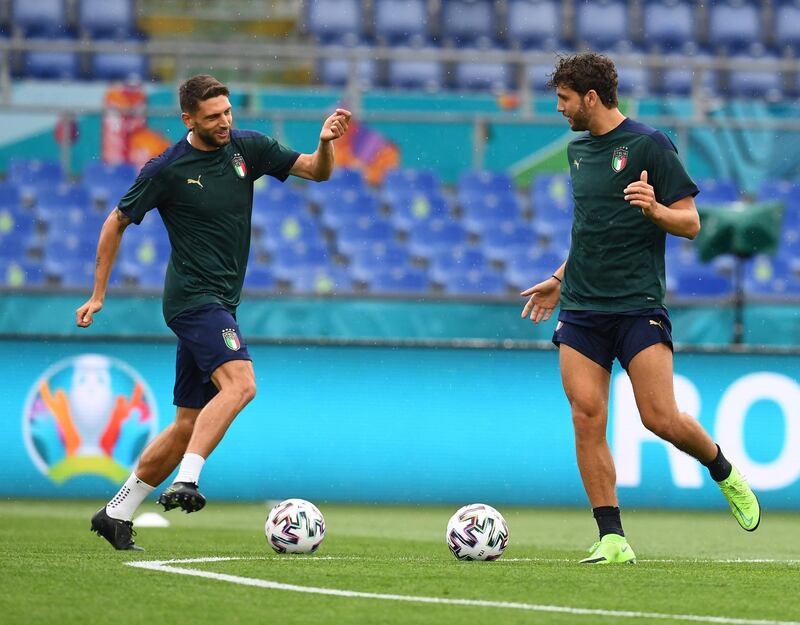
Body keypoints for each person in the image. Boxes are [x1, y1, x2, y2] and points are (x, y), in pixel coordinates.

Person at [78, 74, 351, 550]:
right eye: (212, 117)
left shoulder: (248, 147)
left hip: (220, 302)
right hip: (192, 300)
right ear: (188, 119)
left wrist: (324, 144)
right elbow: (115, 221)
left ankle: (117, 511)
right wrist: (98, 293)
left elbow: (317, 170)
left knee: (188, 422)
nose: (224, 122)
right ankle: (188, 479)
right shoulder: (167, 168)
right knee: (241, 383)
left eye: (227, 112)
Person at [520, 53, 760, 565]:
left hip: (636, 306)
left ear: (590, 97)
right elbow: (589, 230)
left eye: (564, 99)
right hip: (582, 306)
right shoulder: (578, 152)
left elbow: (692, 223)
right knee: (587, 416)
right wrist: (559, 280)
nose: (559, 109)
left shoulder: (650, 144)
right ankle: (612, 538)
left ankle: (722, 470)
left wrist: (655, 210)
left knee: (660, 418)